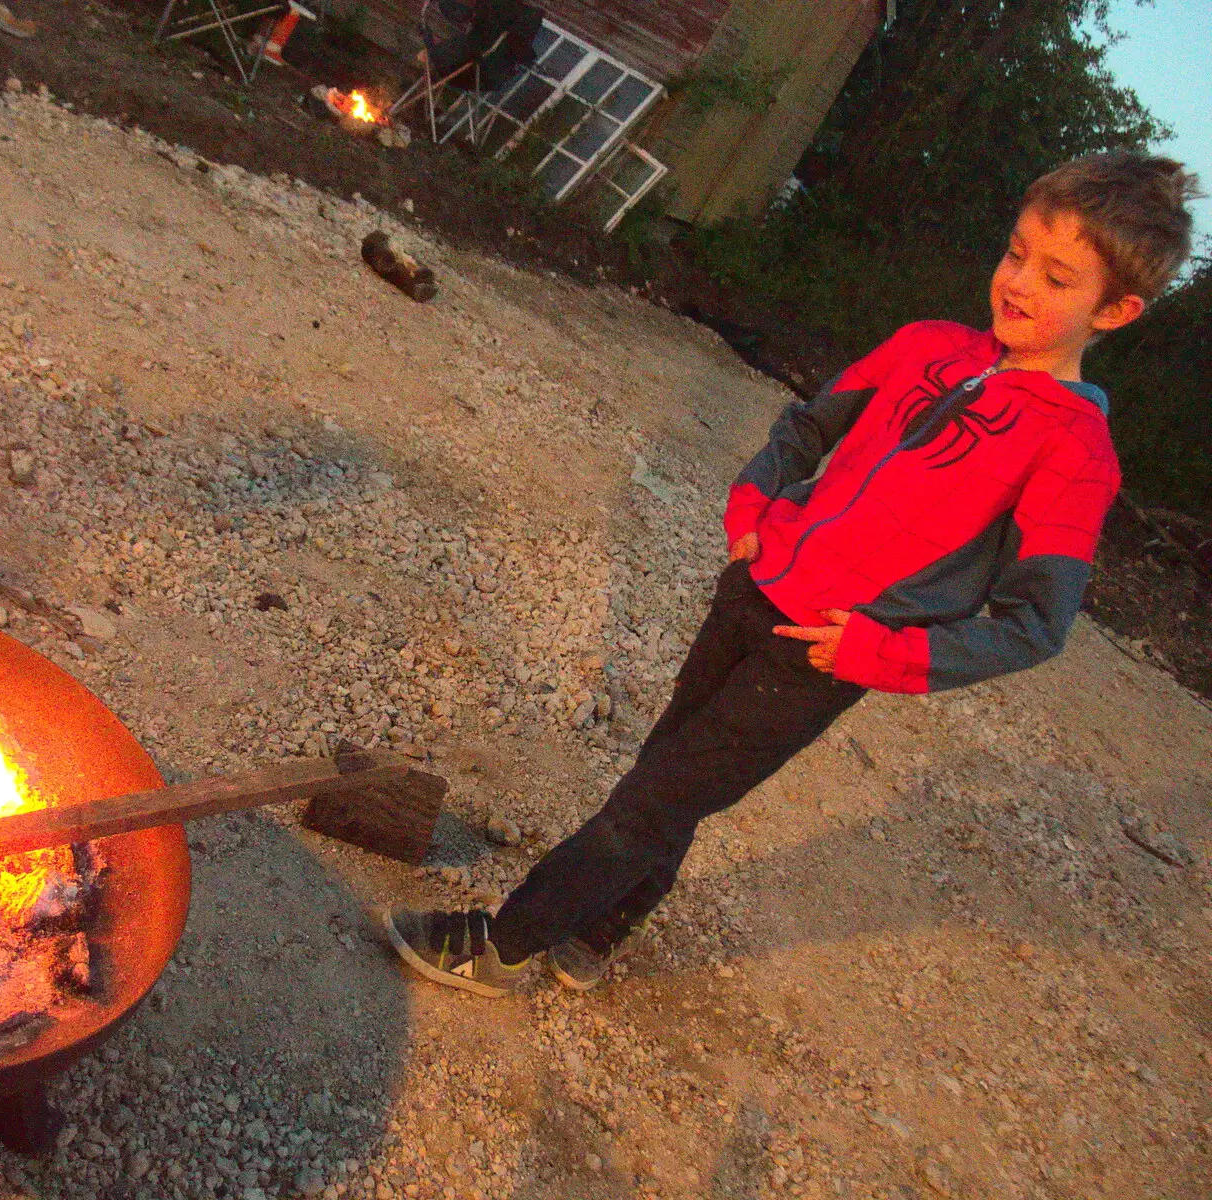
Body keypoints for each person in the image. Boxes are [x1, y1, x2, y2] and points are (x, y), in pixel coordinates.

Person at [381, 152, 1200, 997]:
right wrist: (753, 508)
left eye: (1058, 276)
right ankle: (600, 927)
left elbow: (1036, 625)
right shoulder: (928, 346)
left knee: (655, 798)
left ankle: (506, 943)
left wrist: (883, 655)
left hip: (818, 654)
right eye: (1017, 252)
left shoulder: (1074, 450)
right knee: (670, 772)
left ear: (1117, 309)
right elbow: (806, 429)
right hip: (753, 588)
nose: (1019, 282)